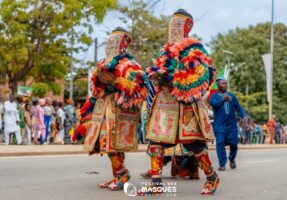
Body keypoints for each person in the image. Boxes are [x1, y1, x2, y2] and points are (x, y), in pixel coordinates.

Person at [143, 9, 219, 195]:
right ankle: (156, 182)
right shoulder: (164, 51)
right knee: (156, 142)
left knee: (194, 144)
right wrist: (156, 76)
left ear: (187, 27)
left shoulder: (195, 49)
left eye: (177, 24)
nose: (173, 28)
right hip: (165, 102)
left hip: (186, 105)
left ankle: (211, 176)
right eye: (172, 24)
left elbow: (203, 76)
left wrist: (174, 78)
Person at [73, 27, 147, 191]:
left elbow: (139, 89)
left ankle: (121, 174)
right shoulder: (101, 64)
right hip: (102, 108)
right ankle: (119, 174)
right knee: (105, 144)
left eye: (114, 42)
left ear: (123, 44)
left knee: (111, 143)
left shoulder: (131, 65)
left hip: (119, 110)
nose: (109, 46)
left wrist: (117, 82)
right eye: (108, 43)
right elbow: (95, 89)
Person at [209, 78, 248, 171]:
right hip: (219, 125)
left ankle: (232, 159)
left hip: (231, 125)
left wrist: (244, 116)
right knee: (220, 143)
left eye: (226, 83)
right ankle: (222, 164)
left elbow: (238, 108)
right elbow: (214, 104)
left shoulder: (232, 96)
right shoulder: (214, 96)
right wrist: (222, 100)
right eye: (223, 83)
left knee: (234, 144)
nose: (226, 85)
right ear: (218, 85)